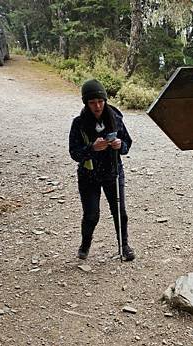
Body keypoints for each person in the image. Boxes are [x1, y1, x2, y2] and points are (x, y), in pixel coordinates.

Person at [69, 79, 135, 261]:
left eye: (100, 101)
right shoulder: (79, 124)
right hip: (88, 176)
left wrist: (120, 145)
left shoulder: (116, 119)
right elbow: (73, 152)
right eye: (92, 102)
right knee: (91, 214)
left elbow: (127, 143)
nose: (97, 106)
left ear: (105, 100)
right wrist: (91, 149)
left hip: (113, 172)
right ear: (86, 103)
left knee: (119, 212)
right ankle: (85, 244)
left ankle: (124, 246)